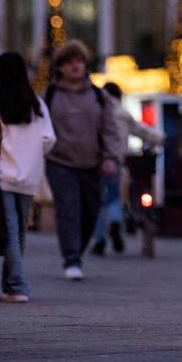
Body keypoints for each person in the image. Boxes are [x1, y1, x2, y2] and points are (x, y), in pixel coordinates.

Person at [44, 40, 125, 281]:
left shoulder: (99, 96)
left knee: (90, 211)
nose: (75, 66)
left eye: (79, 61)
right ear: (60, 67)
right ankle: (71, 258)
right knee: (68, 209)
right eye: (69, 62)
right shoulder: (49, 96)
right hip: (59, 162)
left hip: (93, 163)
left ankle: (76, 250)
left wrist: (111, 157)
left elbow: (110, 130)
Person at [0, 52, 56, 302]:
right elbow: (49, 139)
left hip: (2, 174)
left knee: (9, 228)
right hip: (30, 176)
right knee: (19, 230)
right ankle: (10, 283)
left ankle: (16, 284)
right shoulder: (37, 105)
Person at [90, 81, 164, 257]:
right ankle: (116, 221)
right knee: (114, 196)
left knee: (99, 199)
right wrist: (160, 138)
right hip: (116, 161)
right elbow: (141, 131)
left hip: (96, 161)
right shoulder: (123, 114)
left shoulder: (96, 111)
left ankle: (99, 240)